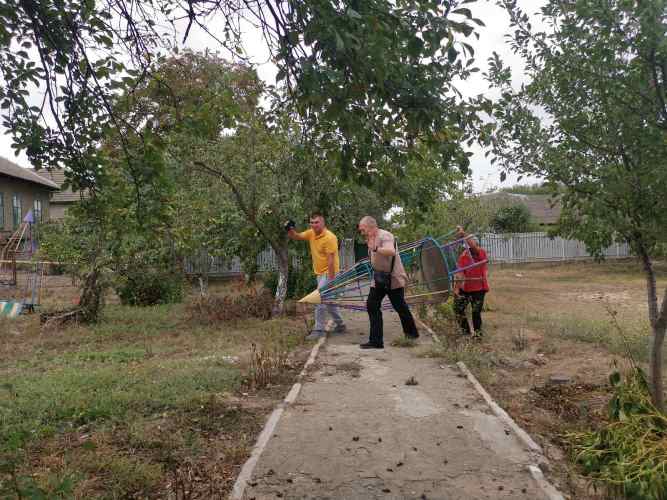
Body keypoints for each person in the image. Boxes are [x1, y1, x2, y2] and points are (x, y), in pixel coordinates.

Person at [357, 216, 419, 349]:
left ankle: (412, 334)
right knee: (372, 305)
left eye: (363, 230)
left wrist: (375, 249)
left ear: (371, 226)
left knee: (400, 306)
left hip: (393, 279)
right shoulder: (370, 238)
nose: (362, 233)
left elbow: (390, 251)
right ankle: (376, 341)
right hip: (379, 278)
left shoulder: (385, 235)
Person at [285, 212, 346, 340]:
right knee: (329, 303)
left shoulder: (330, 237)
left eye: (316, 222)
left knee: (319, 300)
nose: (314, 225)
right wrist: (290, 229)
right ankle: (341, 325)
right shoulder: (311, 233)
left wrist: (331, 281)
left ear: (323, 222)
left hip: (330, 273)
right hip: (319, 274)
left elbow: (331, 261)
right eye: (312, 222)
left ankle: (319, 330)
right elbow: (296, 236)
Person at [453, 225, 490, 338]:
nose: (468, 248)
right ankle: (466, 333)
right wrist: (456, 289)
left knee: (475, 313)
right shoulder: (463, 256)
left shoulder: (481, 253)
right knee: (457, 309)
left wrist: (463, 233)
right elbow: (460, 273)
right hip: (466, 289)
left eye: (470, 245)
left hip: (479, 289)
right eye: (467, 246)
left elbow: (473, 246)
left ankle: (478, 336)